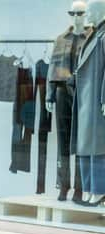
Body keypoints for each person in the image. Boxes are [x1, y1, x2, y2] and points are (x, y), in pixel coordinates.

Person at [46, 0, 89, 203]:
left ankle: (80, 189)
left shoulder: (92, 38)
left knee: (81, 142)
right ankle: (63, 185)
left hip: (83, 93)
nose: (76, 18)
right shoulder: (60, 39)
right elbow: (53, 68)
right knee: (63, 142)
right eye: (73, 14)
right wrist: (49, 94)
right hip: (63, 91)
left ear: (86, 15)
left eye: (80, 14)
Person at [72, 0, 105, 206]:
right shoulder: (94, 34)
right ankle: (88, 189)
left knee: (97, 145)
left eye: (91, 11)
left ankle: (99, 190)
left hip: (95, 99)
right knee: (85, 144)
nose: (87, 15)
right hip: (86, 98)